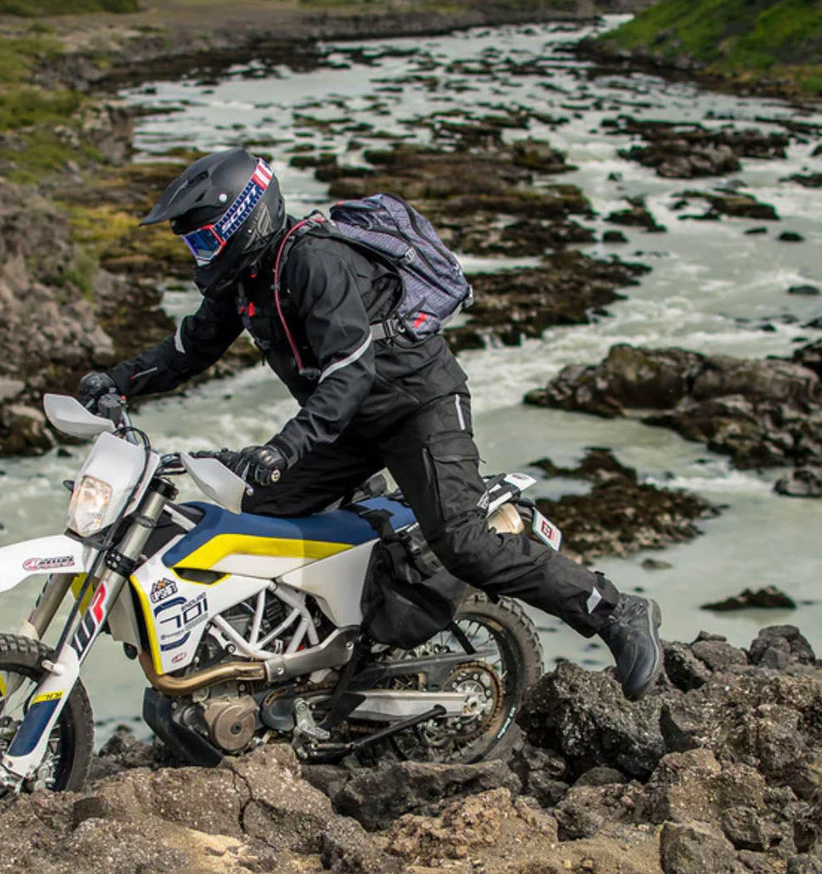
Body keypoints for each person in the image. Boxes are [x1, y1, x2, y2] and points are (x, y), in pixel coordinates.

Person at [79, 148, 664, 699]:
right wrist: (118, 381)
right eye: (193, 243)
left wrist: (287, 446)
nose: (201, 253)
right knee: (257, 517)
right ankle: (301, 662)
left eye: (206, 237)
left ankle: (614, 611)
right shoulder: (245, 281)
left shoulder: (314, 261)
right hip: (347, 421)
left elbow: (349, 375)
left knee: (464, 543)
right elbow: (191, 347)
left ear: (245, 221)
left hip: (417, 407)